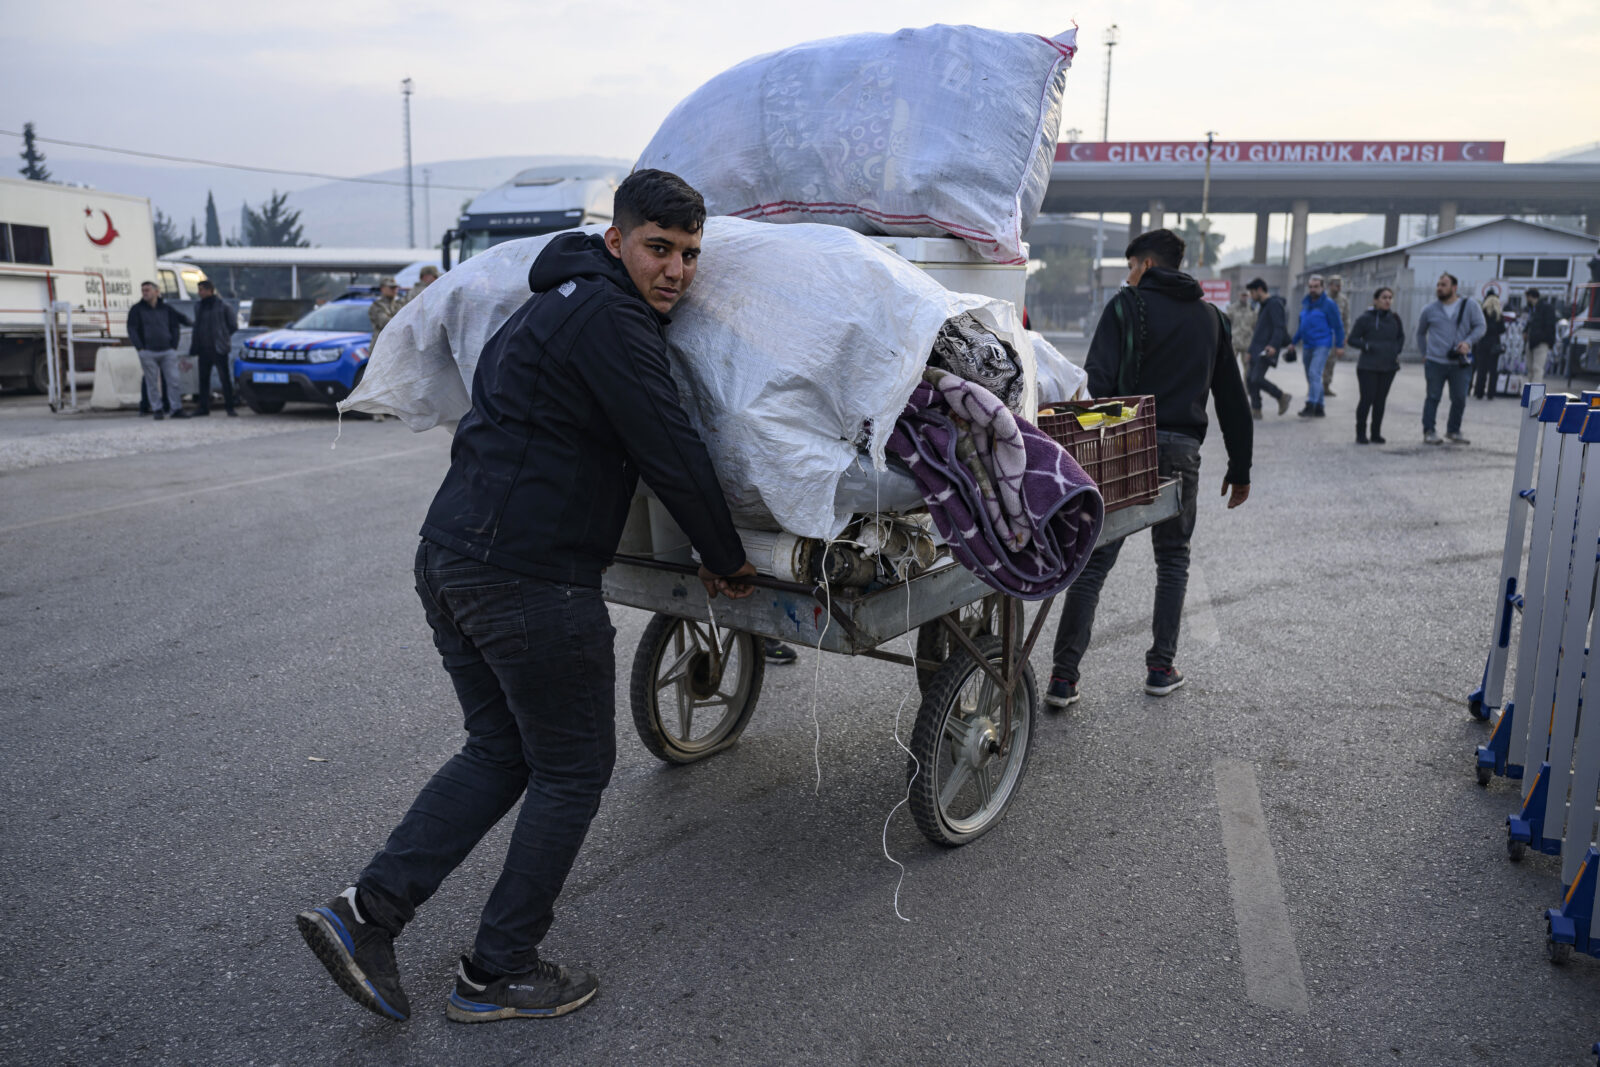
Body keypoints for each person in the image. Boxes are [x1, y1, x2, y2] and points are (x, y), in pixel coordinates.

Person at [296, 170, 758, 1025]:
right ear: (617, 240)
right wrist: (725, 559)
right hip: (527, 577)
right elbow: (672, 447)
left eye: (691, 254)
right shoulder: (611, 320)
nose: (677, 271)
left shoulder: (554, 300)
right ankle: (497, 968)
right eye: (660, 248)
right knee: (575, 767)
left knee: (502, 750)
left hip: (453, 556)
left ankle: (366, 915)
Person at [1045, 229, 1252, 707]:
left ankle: (1063, 677)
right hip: (1182, 449)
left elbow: (1096, 382)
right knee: (1174, 559)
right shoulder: (1212, 319)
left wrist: (1085, 450)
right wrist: (1240, 469)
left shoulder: (1125, 307)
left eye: (1131, 266)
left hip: (1124, 446)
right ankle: (1161, 668)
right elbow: (1233, 401)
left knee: (1094, 560)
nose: (1128, 275)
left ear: (1145, 264)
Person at [1416, 272, 1486, 445]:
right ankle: (1429, 431)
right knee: (1433, 396)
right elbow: (1420, 333)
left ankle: (1453, 430)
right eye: (1438, 284)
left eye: (1444, 285)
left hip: (1460, 362)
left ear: (1454, 288)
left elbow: (1481, 326)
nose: (1439, 288)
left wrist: (1468, 342)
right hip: (1435, 361)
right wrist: (1424, 353)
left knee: (1460, 398)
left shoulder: (1469, 306)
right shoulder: (1429, 309)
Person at [1347, 287, 1405, 444]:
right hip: (1368, 367)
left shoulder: (1395, 318)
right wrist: (1366, 346)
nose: (1387, 300)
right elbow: (1352, 339)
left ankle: (1375, 433)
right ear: (1376, 300)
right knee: (1367, 399)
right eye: (1384, 297)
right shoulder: (1365, 319)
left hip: (1388, 366)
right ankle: (1360, 433)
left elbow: (1401, 337)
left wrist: (1395, 350)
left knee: (1380, 401)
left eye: (1390, 297)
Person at [127, 280, 191, 420]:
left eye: (148, 290)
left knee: (173, 380)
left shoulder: (166, 309)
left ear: (157, 292)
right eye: (143, 290)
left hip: (167, 350)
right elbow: (132, 329)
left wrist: (174, 345)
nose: (145, 293)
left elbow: (177, 323)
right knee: (152, 382)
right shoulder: (137, 309)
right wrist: (140, 348)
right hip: (148, 351)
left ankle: (176, 408)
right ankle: (157, 409)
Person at [1291, 274, 1345, 418]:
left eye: (1316, 286)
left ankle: (1311, 404)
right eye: (1310, 287)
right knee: (1312, 377)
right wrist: (1293, 342)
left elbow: (1338, 326)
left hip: (1322, 344)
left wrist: (1339, 345)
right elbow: (1302, 326)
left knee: (1314, 373)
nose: (1313, 289)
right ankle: (1320, 406)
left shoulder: (1329, 305)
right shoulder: (1306, 303)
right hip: (1307, 345)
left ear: (1322, 287)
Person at [1243, 278, 1292, 418]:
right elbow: (1258, 331)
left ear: (1259, 290)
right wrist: (1250, 351)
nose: (1251, 296)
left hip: (1267, 349)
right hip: (1256, 349)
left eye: (1252, 292)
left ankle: (1281, 396)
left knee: (1256, 378)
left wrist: (1273, 346)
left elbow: (1279, 327)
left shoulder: (1275, 304)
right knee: (1250, 379)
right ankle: (1256, 410)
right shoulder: (1264, 306)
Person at [188, 280, 238, 416]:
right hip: (203, 348)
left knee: (224, 379)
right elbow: (197, 326)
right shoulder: (199, 306)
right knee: (203, 380)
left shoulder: (223, 306)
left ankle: (230, 407)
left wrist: (223, 337)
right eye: (199, 290)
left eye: (202, 290)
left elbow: (233, 325)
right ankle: (203, 407)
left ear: (210, 290)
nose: (200, 293)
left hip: (218, 348)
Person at [1472, 290, 1506, 400]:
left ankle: (1479, 391)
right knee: (1493, 370)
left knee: (1481, 369)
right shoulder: (1498, 315)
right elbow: (1502, 329)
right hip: (1494, 344)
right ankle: (1491, 393)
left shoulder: (1482, 312)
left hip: (1482, 342)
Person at [1322, 274, 1351, 398]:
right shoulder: (1322, 298)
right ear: (1329, 286)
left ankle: (1326, 386)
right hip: (1322, 334)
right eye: (1336, 285)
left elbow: (1346, 319)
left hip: (1336, 334)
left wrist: (1345, 335)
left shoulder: (1343, 300)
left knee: (1331, 361)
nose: (1338, 287)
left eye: (1340, 285)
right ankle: (1315, 386)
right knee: (1319, 361)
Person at [1523, 288, 1557, 386]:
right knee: (1530, 368)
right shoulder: (1533, 309)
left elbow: (1549, 326)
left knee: (1537, 368)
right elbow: (1530, 324)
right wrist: (1525, 332)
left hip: (1541, 342)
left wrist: (1546, 340)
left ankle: (1535, 392)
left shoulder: (1545, 308)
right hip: (1532, 341)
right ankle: (1530, 390)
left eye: (1527, 297)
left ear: (1530, 296)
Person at [368, 276, 406, 341]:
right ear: (382, 289)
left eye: (396, 287)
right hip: (381, 344)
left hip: (397, 344)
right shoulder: (377, 305)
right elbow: (385, 323)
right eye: (391, 287)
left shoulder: (400, 304)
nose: (394, 290)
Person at [1229, 289, 1256, 374]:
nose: (1244, 297)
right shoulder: (1232, 308)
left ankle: (1246, 387)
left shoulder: (1252, 309)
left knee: (1248, 368)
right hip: (1234, 341)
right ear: (1239, 295)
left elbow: (1255, 325)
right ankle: (1230, 386)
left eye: (1246, 296)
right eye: (1242, 295)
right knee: (1229, 366)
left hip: (1247, 342)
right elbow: (1227, 323)